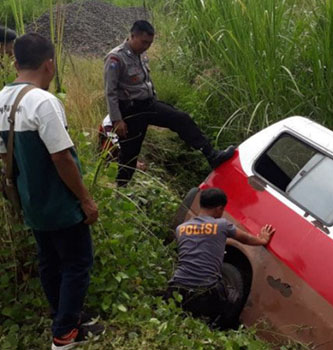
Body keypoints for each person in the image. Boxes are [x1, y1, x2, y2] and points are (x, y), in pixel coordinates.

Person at [0, 33, 103, 349]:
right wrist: (86, 199)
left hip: (30, 201)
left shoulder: (2, 99)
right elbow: (61, 157)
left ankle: (64, 317)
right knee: (77, 262)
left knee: (49, 261)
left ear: (16, 63)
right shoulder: (44, 102)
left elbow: (3, 153)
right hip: (59, 202)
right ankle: (64, 334)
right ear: (49, 64)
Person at [104, 20, 234, 187]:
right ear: (132, 36)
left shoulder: (141, 54)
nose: (147, 46)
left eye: (150, 43)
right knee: (130, 155)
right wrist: (117, 120)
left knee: (181, 118)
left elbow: (146, 81)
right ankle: (120, 191)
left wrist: (155, 98)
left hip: (148, 105)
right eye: (144, 42)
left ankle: (212, 155)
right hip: (131, 112)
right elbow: (110, 92)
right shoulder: (115, 58)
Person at [165, 187, 275, 328]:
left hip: (175, 287)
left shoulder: (181, 229)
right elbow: (246, 239)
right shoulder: (222, 225)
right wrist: (263, 240)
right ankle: (219, 326)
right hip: (204, 292)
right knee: (232, 296)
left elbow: (201, 242)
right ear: (219, 208)